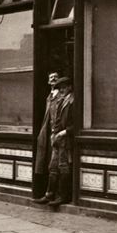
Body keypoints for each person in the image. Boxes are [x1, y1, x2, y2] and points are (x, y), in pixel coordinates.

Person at [32, 73, 74, 207]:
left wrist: (63, 132)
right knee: (53, 167)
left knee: (63, 167)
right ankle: (50, 194)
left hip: (65, 140)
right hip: (57, 139)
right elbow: (55, 120)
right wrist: (54, 133)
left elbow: (76, 123)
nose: (61, 90)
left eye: (63, 87)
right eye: (59, 88)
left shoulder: (73, 101)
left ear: (70, 88)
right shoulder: (61, 101)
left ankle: (63, 196)